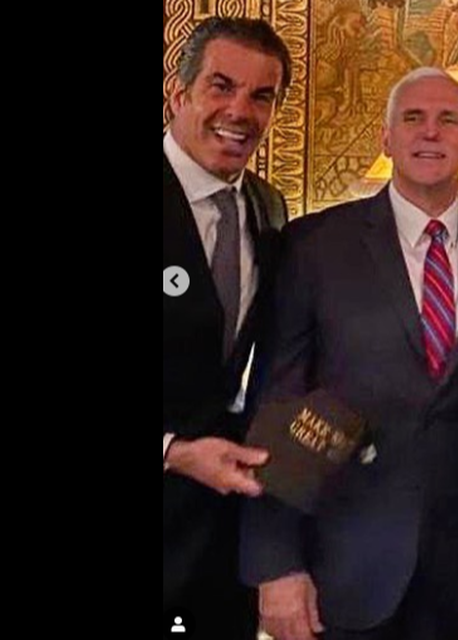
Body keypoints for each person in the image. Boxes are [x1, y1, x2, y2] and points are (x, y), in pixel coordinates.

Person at [240, 67, 458, 640]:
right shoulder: (314, 247)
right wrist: (275, 563)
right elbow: (277, 405)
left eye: (448, 120)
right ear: (386, 139)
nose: (430, 132)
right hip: (342, 563)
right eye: (413, 118)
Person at [162, 16, 292, 640]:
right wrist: (173, 452)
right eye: (221, 86)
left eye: (261, 96)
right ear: (178, 93)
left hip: (219, 540)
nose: (240, 111)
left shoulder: (269, 209)